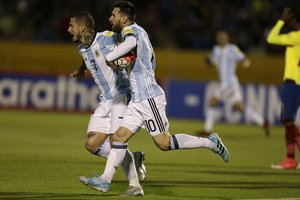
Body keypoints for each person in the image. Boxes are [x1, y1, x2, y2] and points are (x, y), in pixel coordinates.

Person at [78, 1, 229, 194]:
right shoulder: (140, 32)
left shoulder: (130, 31)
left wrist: (111, 57)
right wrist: (125, 63)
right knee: (118, 137)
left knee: (164, 143)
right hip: (138, 99)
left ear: (124, 18)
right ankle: (109, 181)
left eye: (113, 15)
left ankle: (211, 142)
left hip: (149, 98)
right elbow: (145, 59)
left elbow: (131, 43)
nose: (110, 18)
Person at [67, 11, 146, 195]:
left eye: (72, 26)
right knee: (92, 144)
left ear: (82, 28)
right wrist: (81, 67)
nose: (68, 29)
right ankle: (133, 160)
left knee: (116, 139)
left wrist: (127, 62)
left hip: (121, 94)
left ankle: (122, 183)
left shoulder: (107, 37)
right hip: (105, 101)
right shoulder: (81, 48)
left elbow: (127, 46)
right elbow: (88, 57)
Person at [197, 30, 270, 137]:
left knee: (212, 102)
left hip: (229, 82)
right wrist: (207, 59)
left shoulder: (232, 49)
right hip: (228, 83)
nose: (222, 39)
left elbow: (244, 58)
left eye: (224, 37)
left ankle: (207, 129)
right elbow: (211, 63)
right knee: (239, 107)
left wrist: (245, 63)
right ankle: (263, 122)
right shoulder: (216, 50)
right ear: (217, 39)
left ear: (227, 38)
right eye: (220, 37)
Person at [266, 5, 300, 170]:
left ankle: (290, 159)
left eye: (292, 20)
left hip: (293, 82)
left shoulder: (295, 37)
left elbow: (271, 38)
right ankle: (291, 159)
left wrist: (281, 20)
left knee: (287, 120)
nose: (290, 23)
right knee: (291, 122)